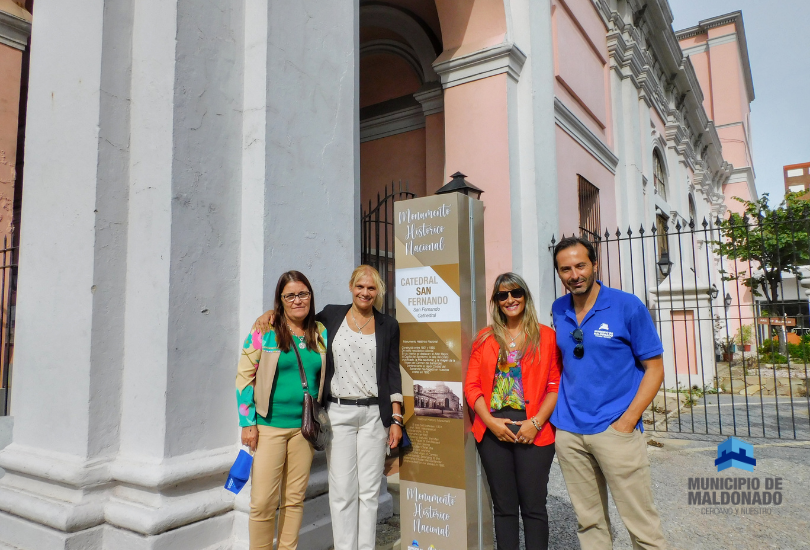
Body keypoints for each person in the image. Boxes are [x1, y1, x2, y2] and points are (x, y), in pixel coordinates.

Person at [255, 265, 403, 550]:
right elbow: (299, 319)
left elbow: (392, 372)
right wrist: (270, 314)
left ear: (378, 292)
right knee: (342, 492)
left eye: (371, 288)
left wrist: (396, 418)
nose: (365, 292)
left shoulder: (388, 325)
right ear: (351, 287)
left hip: (374, 415)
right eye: (360, 286)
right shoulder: (331, 316)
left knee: (370, 492)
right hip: (338, 413)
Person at [550, 236, 666, 549]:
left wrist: (628, 421)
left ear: (595, 265)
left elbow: (655, 368)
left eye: (580, 265)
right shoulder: (558, 309)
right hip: (570, 432)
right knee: (589, 523)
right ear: (559, 273)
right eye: (565, 269)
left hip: (616, 428)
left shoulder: (627, 305)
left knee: (642, 525)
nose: (574, 275)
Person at [464, 272, 562, 550]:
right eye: (502, 295)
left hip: (535, 429)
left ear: (525, 296)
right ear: (496, 302)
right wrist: (490, 422)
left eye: (515, 293)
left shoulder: (547, 336)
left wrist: (536, 422)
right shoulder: (484, 338)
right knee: (504, 507)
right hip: (494, 431)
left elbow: (555, 385)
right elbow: (472, 386)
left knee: (533, 507)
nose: (510, 299)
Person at [236, 271, 328, 550]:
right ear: (280, 300)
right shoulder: (264, 331)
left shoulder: (320, 332)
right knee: (263, 501)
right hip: (268, 427)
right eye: (290, 295)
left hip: (304, 430)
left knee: (294, 499)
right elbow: (244, 377)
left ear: (311, 296)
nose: (297, 300)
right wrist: (247, 422)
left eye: (303, 294)